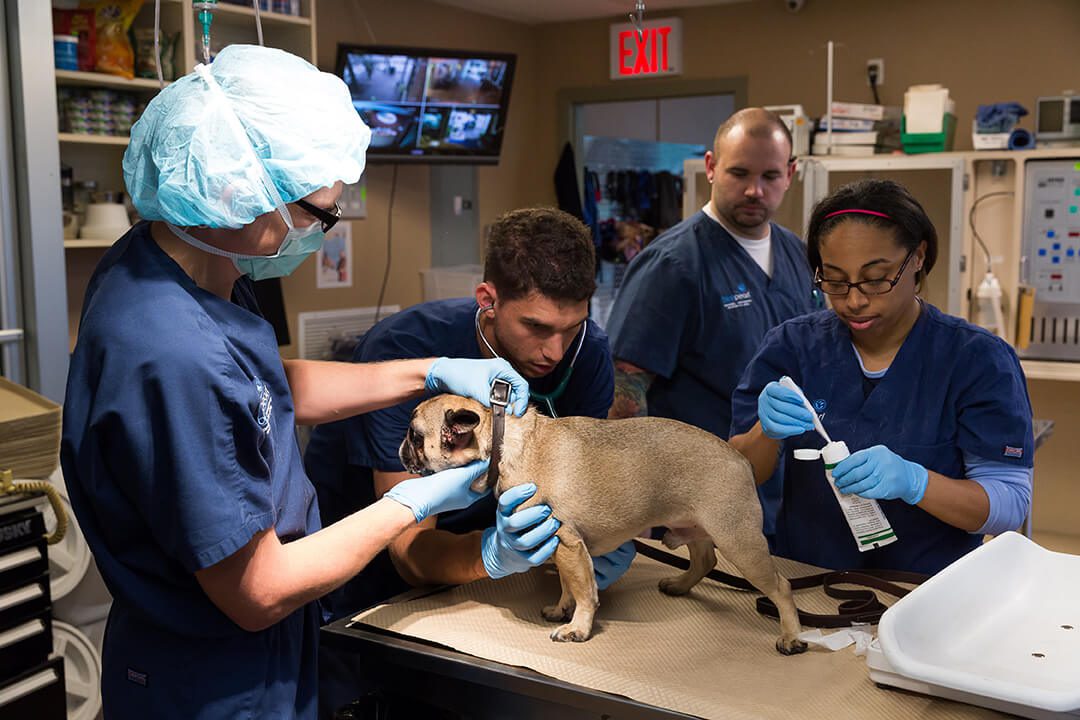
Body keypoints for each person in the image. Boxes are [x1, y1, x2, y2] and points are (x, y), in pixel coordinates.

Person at [60, 45, 532, 720]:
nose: (318, 233)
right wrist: (415, 501)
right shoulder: (172, 353)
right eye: (319, 214)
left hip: (248, 658)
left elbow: (259, 389)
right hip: (216, 680)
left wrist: (426, 372)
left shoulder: (184, 257)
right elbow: (258, 591)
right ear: (237, 191)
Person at [305, 207, 635, 625]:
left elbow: (581, 486)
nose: (555, 351)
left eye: (571, 328)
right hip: (371, 577)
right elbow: (409, 553)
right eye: (536, 327)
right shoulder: (402, 348)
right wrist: (494, 554)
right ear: (488, 301)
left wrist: (602, 532)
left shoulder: (587, 353)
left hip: (494, 579)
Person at [729, 179, 1034, 574]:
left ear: (918, 257)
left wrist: (916, 482)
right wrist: (765, 433)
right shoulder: (792, 348)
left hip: (925, 591)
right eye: (835, 281)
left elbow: (1009, 506)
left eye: (876, 279)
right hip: (807, 582)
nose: (854, 301)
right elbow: (740, 474)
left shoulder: (977, 360)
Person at [604, 107, 819, 537]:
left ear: (791, 173)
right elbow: (624, 397)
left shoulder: (800, 256)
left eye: (770, 176)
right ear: (710, 166)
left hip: (786, 497)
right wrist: (639, 512)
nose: (754, 190)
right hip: (696, 508)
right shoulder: (673, 265)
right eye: (739, 173)